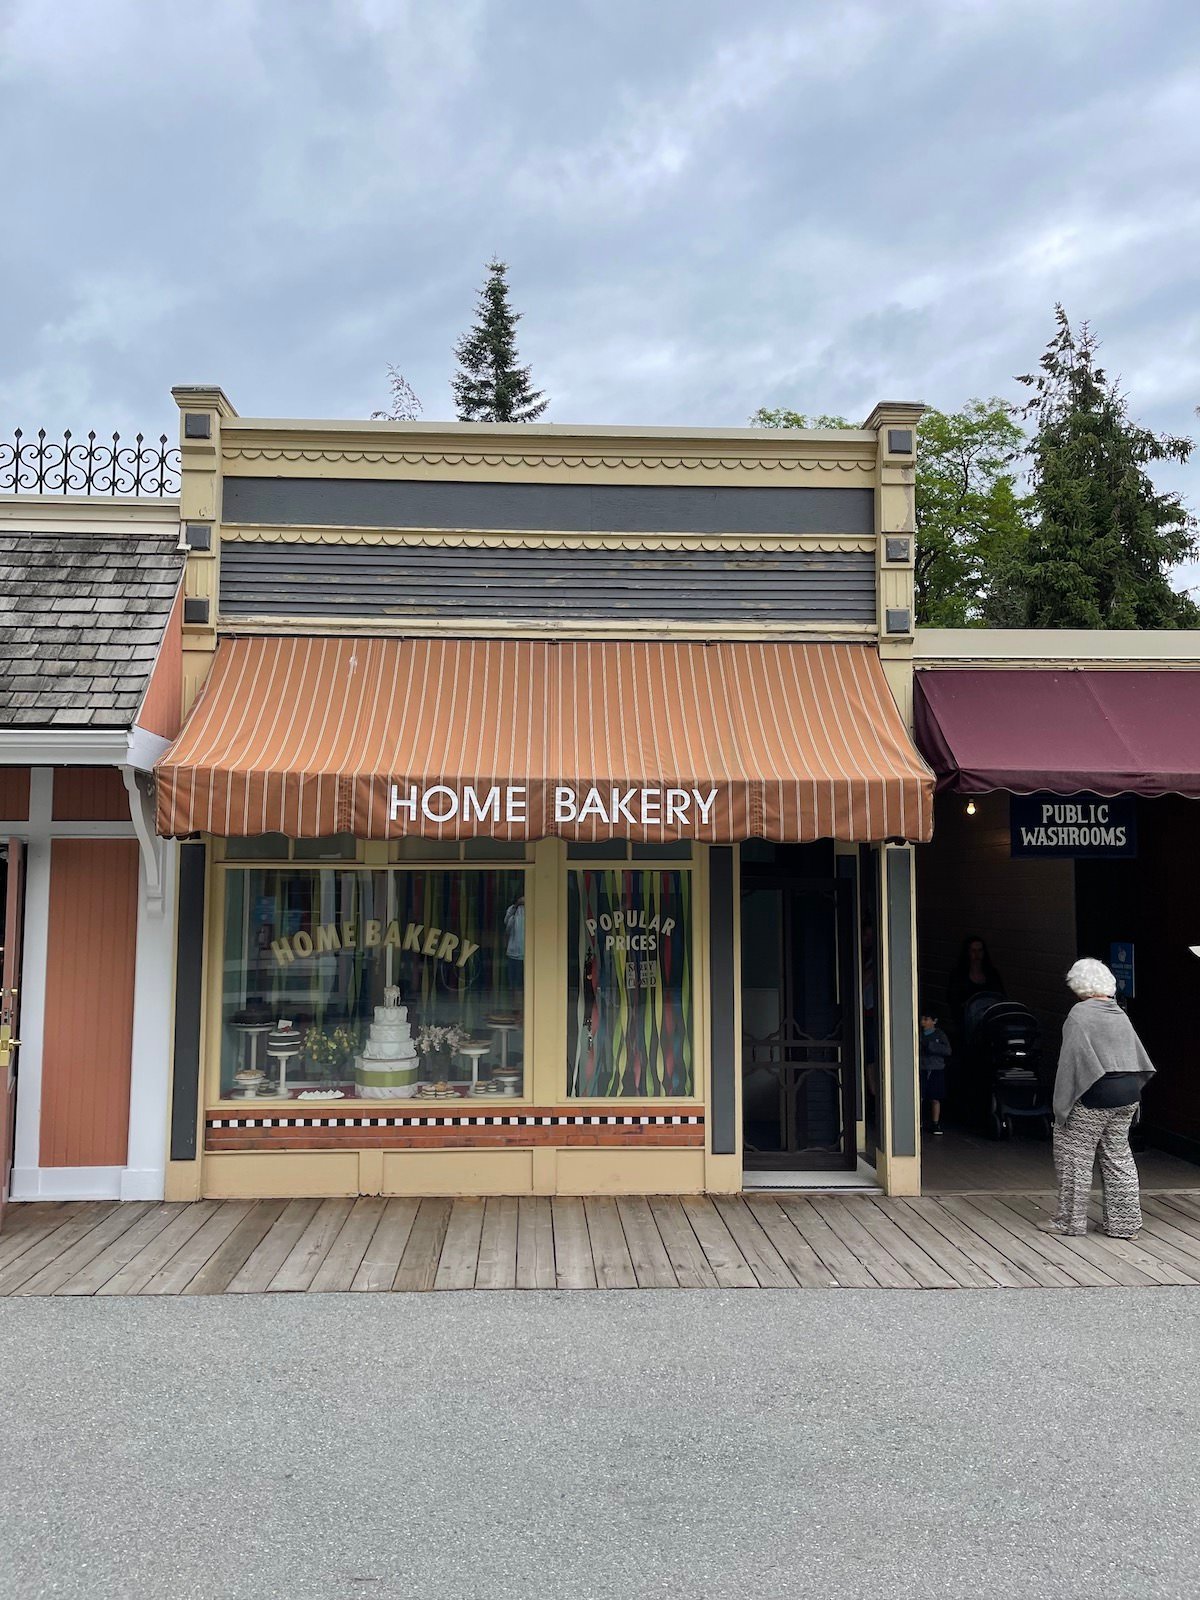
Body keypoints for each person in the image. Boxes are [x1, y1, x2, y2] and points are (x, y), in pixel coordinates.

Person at [1043, 957, 1155, 1239]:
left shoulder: (1080, 1014)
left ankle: (1069, 1222)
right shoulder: (1118, 1013)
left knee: (1075, 1157)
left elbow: (1071, 1064)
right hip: (1128, 1096)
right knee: (1119, 1158)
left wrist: (1061, 1108)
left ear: (1079, 986)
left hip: (1094, 1096)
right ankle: (1125, 1225)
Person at [947, 935, 1005, 1022]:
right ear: (967, 952)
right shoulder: (958, 974)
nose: (977, 954)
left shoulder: (992, 973)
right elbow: (953, 1000)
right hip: (967, 1020)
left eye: (980, 950)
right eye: (973, 951)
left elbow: (1001, 995)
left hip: (989, 1019)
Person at [919, 1009, 952, 1136]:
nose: (923, 1022)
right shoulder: (919, 1034)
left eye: (926, 1019)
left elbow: (948, 1051)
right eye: (922, 1019)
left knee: (935, 1098)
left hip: (936, 1069)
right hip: (921, 1068)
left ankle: (935, 1123)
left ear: (934, 1021)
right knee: (919, 1097)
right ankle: (919, 1121)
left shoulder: (940, 1034)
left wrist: (930, 1046)